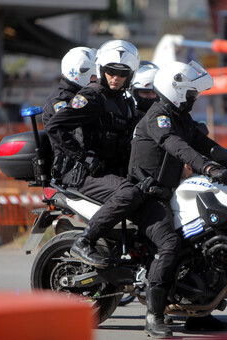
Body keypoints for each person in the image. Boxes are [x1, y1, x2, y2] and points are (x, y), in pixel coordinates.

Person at [128, 60, 227, 337]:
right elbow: (176, 146)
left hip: (168, 192)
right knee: (170, 243)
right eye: (191, 93)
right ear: (176, 91)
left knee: (206, 241)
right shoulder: (158, 117)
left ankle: (199, 313)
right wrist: (207, 167)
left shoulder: (180, 117)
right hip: (148, 196)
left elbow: (205, 144)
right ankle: (154, 315)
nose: (194, 98)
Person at [44, 40, 143, 268]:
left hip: (107, 169)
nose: (115, 78)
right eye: (110, 72)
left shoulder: (123, 101)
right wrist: (83, 157)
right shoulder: (87, 97)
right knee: (128, 193)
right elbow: (58, 129)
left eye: (121, 73)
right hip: (80, 173)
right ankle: (85, 241)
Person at [43, 47, 97, 181]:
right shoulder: (60, 101)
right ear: (81, 73)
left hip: (88, 167)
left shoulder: (82, 96)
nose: (96, 80)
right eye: (93, 76)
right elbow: (62, 132)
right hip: (71, 171)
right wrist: (83, 157)